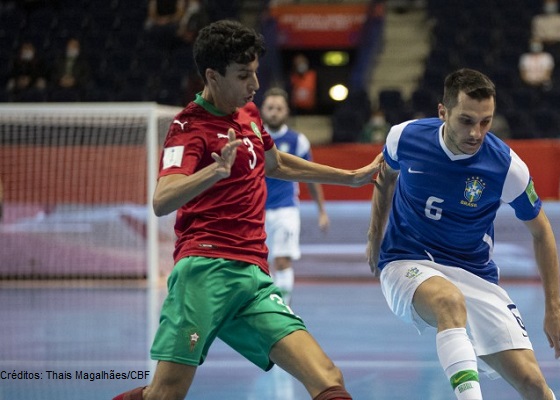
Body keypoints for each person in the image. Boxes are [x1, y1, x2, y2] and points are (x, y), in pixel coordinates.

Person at [113, 20, 381, 400]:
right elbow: (163, 199)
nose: (254, 84)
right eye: (243, 75)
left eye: (254, 72)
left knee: (327, 377)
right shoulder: (188, 127)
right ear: (212, 76)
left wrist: (351, 177)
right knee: (165, 393)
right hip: (205, 271)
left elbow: (276, 163)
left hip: (252, 277)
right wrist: (214, 171)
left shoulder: (248, 114)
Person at [366, 68, 560, 400]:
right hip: (406, 260)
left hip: (474, 273)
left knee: (534, 386)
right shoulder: (404, 137)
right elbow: (385, 175)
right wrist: (374, 235)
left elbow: (542, 232)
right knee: (448, 301)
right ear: (443, 112)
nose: (476, 133)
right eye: (466, 121)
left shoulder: (506, 167)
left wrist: (554, 307)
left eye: (485, 122)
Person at [260, 87, 329, 305]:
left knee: (282, 261)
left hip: (285, 210)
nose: (274, 112)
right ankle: (265, 309)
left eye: (279, 108)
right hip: (255, 212)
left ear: (287, 111)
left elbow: (311, 176)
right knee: (259, 264)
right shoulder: (253, 138)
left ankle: (284, 310)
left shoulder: (297, 141)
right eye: (270, 108)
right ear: (262, 110)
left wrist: (321, 211)